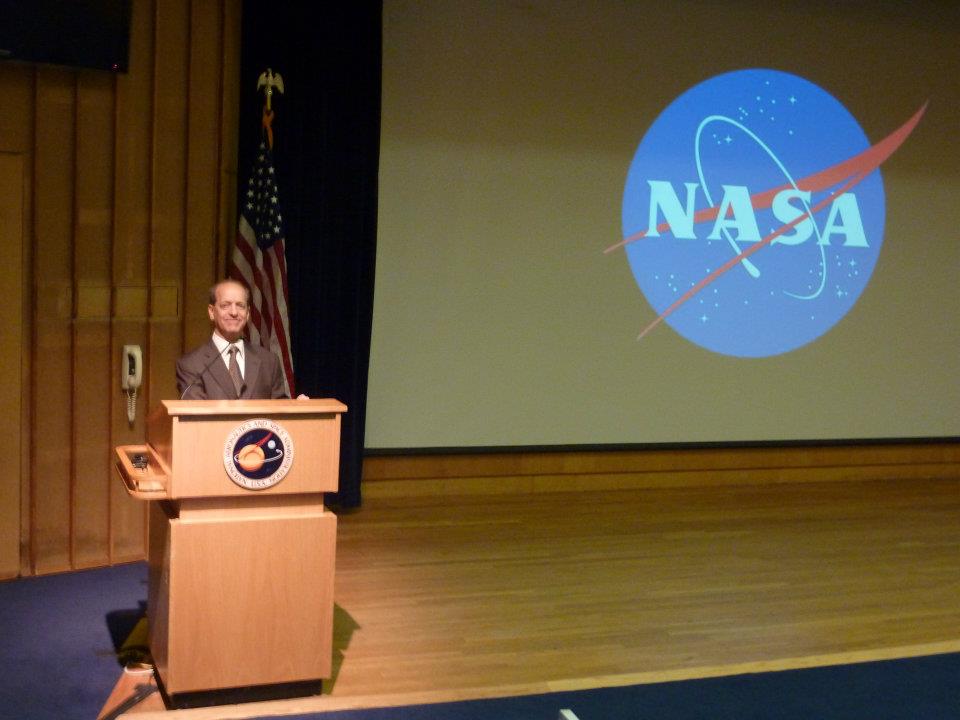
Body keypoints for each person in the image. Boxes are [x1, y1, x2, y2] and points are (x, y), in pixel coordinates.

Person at [176, 279, 288, 400]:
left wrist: (296, 407)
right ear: (212, 312)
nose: (234, 312)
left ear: (248, 313)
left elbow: (279, 411)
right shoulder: (191, 364)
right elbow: (195, 414)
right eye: (225, 305)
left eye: (240, 306)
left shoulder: (269, 361)